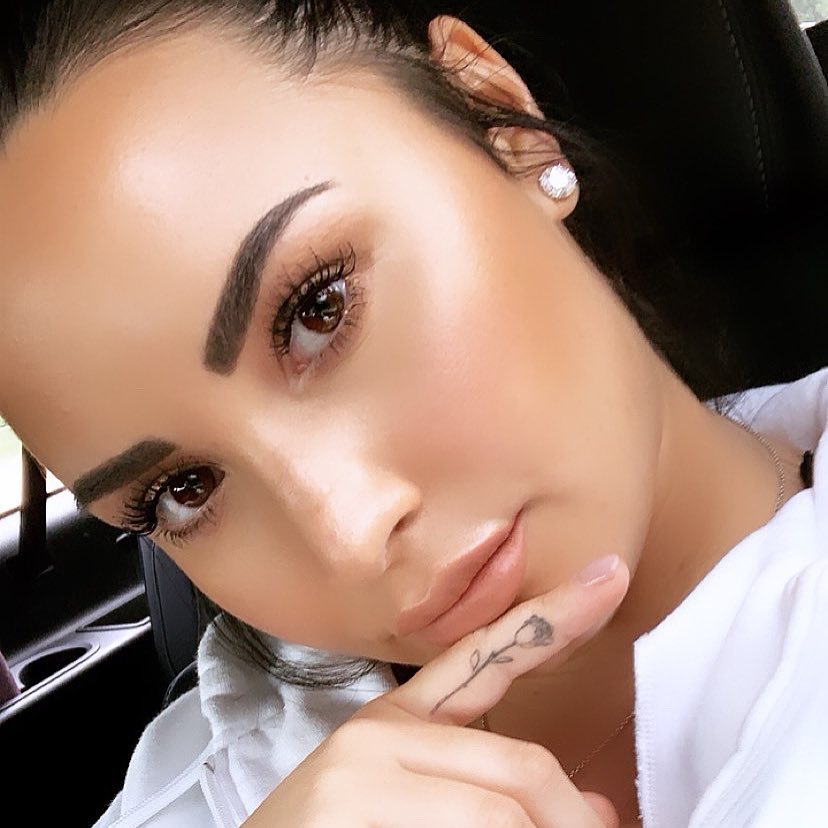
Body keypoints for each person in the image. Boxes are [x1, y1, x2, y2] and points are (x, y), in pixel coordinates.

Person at [0, 1, 824, 825]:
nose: (350, 536)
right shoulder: (211, 785)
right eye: (184, 490)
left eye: (319, 310)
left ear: (500, 122)